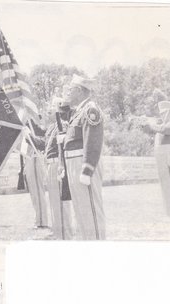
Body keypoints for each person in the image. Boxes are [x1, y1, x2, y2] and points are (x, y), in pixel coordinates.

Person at [58, 74, 105, 240]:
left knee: (91, 210)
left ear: (79, 90)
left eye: (71, 90)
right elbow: (63, 111)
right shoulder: (78, 112)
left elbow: (93, 141)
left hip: (83, 165)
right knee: (81, 210)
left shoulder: (90, 110)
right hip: (73, 164)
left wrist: (87, 169)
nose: (68, 93)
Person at [30, 97, 74, 239]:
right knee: (54, 202)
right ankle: (58, 231)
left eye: (52, 107)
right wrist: (28, 136)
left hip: (57, 164)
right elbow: (43, 144)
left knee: (61, 203)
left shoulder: (64, 125)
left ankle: (65, 233)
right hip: (50, 165)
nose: (48, 110)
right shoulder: (52, 127)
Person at [143, 96, 170, 218]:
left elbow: (165, 129)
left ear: (169, 111)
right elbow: (153, 130)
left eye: (163, 113)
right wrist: (144, 125)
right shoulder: (162, 124)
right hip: (161, 155)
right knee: (165, 185)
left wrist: (151, 125)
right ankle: (169, 214)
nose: (162, 115)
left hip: (168, 154)